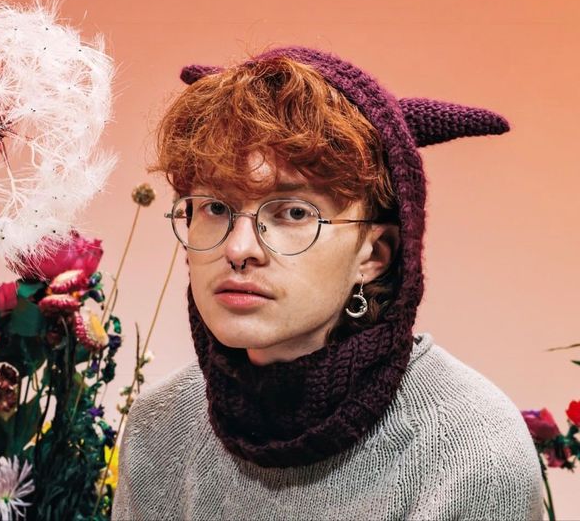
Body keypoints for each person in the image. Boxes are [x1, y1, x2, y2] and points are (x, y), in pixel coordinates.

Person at [112, 47, 543, 520]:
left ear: (374, 254)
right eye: (216, 208)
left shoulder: (470, 452)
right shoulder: (159, 428)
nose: (239, 248)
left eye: (294, 212)